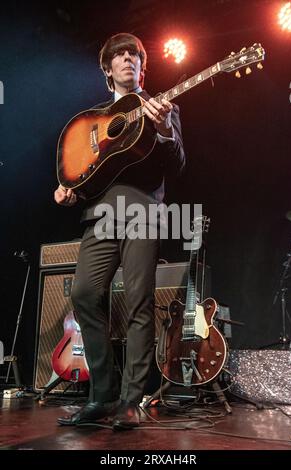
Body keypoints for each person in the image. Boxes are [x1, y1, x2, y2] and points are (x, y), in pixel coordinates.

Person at [54, 32, 185, 430]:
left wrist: (163, 131)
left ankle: (131, 400)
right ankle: (103, 396)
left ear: (143, 67)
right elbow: (83, 173)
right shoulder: (92, 119)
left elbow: (177, 163)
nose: (128, 59)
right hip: (101, 216)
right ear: (108, 68)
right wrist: (70, 192)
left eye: (135, 55)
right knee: (84, 294)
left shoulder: (163, 107)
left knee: (139, 302)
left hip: (143, 211)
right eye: (119, 55)